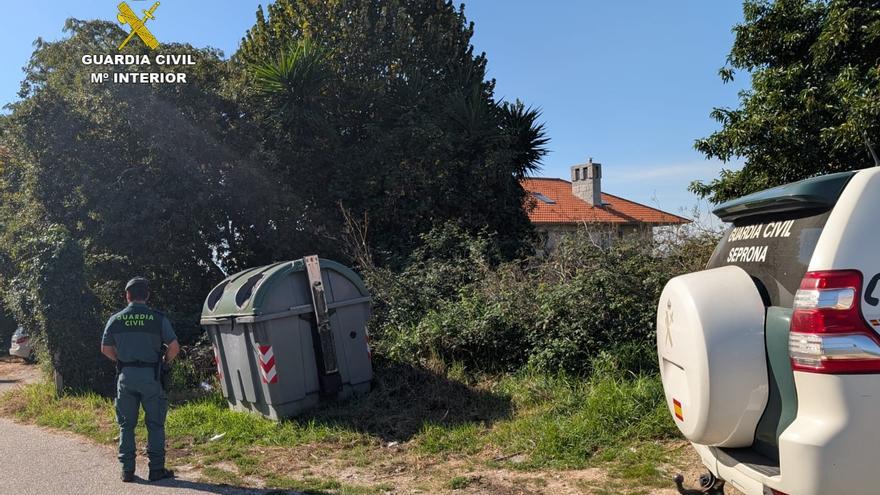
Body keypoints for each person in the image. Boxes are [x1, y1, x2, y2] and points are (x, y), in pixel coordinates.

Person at [100, 277, 180, 483]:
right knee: (155, 424)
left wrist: (122, 361)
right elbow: (174, 347)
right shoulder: (158, 319)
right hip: (151, 376)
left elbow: (105, 349)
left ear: (127, 296)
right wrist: (163, 361)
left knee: (126, 425)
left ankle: (127, 470)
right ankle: (156, 470)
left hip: (126, 376)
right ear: (147, 295)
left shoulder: (116, 319)